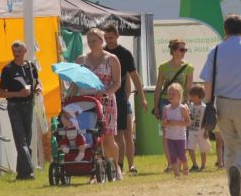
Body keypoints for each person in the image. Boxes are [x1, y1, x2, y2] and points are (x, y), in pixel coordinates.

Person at [200, 14, 241, 196]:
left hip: (223, 102)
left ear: (225, 30)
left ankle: (234, 184)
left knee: (230, 146)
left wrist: (208, 103)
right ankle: (239, 169)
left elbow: (208, 81)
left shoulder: (216, 50)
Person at [75, 28, 122, 179]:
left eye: (94, 40)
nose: (91, 43)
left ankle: (116, 168)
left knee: (108, 139)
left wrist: (106, 92)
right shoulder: (81, 59)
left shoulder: (111, 59)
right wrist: (69, 97)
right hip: (87, 103)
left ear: (102, 41)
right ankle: (94, 172)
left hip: (106, 102)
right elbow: (76, 83)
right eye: (89, 40)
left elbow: (117, 82)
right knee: (90, 138)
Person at [102, 24, 148, 175]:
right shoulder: (102, 53)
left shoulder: (125, 54)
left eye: (111, 37)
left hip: (122, 98)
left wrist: (142, 98)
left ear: (117, 36)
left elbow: (135, 76)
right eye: (106, 38)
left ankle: (131, 165)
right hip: (107, 98)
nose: (108, 40)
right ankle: (118, 164)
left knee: (127, 133)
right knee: (117, 134)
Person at [0, 41, 42, 181]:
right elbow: (1, 92)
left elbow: (37, 81)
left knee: (27, 140)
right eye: (14, 52)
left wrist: (38, 88)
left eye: (19, 52)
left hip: (29, 105)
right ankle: (29, 171)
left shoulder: (30, 66)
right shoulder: (8, 69)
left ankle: (21, 173)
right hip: (15, 106)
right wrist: (18, 94)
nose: (16, 54)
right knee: (21, 140)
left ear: (25, 51)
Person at [154, 39, 194, 172]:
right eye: (181, 49)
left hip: (181, 103)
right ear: (174, 51)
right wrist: (156, 106)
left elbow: (188, 88)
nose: (184, 52)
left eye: (185, 49)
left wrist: (187, 103)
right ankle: (171, 163)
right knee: (167, 132)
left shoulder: (188, 67)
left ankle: (182, 160)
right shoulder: (164, 67)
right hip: (165, 102)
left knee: (182, 132)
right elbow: (158, 87)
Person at [162, 83, 191, 177]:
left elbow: (188, 122)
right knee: (172, 156)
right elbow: (163, 122)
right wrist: (165, 122)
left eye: (173, 94)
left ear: (179, 95)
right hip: (169, 136)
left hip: (180, 137)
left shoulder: (182, 108)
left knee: (182, 155)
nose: (170, 96)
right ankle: (177, 174)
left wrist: (177, 123)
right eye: (169, 94)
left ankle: (186, 169)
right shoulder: (166, 108)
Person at [186, 85, 211, 171]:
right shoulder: (189, 106)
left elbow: (206, 120)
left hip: (201, 131)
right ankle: (195, 164)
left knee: (203, 149)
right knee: (190, 147)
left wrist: (206, 131)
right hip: (192, 131)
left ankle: (203, 166)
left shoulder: (204, 107)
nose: (191, 97)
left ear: (198, 97)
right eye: (190, 96)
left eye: (192, 96)